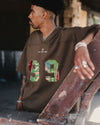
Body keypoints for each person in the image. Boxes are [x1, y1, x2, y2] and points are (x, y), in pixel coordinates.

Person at [16, 0, 99, 113]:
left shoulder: (69, 36)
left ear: (44, 14)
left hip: (56, 112)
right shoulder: (32, 38)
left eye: (32, 11)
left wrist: (82, 45)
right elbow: (26, 75)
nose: (29, 15)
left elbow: (97, 29)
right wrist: (20, 100)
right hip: (28, 108)